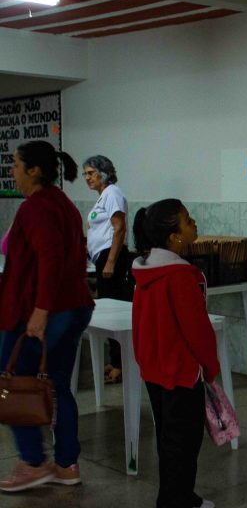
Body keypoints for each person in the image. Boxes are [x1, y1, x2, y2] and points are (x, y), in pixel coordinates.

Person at [0, 140, 94, 492]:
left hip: (44, 312)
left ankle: (34, 463)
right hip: (73, 306)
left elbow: (51, 260)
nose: (12, 171)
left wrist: (40, 312)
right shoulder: (62, 204)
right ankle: (67, 464)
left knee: (15, 383)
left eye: (15, 165)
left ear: (33, 170)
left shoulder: (37, 208)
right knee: (57, 387)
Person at [131, 199, 220, 508]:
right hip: (182, 372)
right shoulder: (182, 276)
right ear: (174, 237)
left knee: (171, 438)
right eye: (186, 221)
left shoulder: (146, 270)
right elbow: (196, 329)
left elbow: (140, 322)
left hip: (155, 369)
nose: (194, 224)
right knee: (182, 442)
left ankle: (184, 495)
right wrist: (209, 366)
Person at [84, 155, 130, 384]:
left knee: (114, 314)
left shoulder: (112, 193)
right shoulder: (103, 197)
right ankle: (115, 360)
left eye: (91, 173)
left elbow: (119, 228)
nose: (87, 178)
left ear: (103, 172)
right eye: (85, 174)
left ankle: (121, 365)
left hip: (112, 259)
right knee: (109, 312)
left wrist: (110, 262)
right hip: (101, 258)